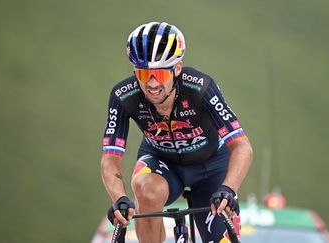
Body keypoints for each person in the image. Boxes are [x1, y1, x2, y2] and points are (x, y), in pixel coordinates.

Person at [100, 21, 253, 243]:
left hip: (212, 165)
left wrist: (229, 188)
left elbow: (242, 146)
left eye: (160, 75)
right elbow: (110, 157)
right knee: (147, 190)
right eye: (143, 74)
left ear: (177, 69)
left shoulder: (200, 87)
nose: (152, 84)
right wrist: (119, 198)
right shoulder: (123, 96)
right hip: (162, 162)